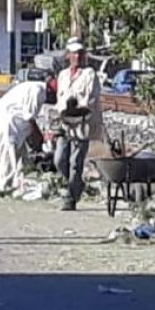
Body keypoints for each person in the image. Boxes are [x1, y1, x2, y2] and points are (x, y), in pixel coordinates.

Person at [54, 38, 105, 211]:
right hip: (65, 123)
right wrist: (63, 111)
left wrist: (76, 106)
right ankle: (74, 186)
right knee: (60, 159)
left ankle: (71, 197)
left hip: (82, 123)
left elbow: (89, 99)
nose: (77, 56)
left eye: (80, 53)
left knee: (76, 162)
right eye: (74, 53)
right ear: (68, 55)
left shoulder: (89, 74)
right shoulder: (62, 75)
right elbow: (59, 100)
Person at [0, 78, 52, 193]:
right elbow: (29, 117)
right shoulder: (36, 90)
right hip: (7, 124)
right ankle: (3, 186)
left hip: (16, 127)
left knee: (20, 158)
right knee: (8, 155)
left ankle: (16, 183)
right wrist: (39, 138)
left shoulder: (36, 90)